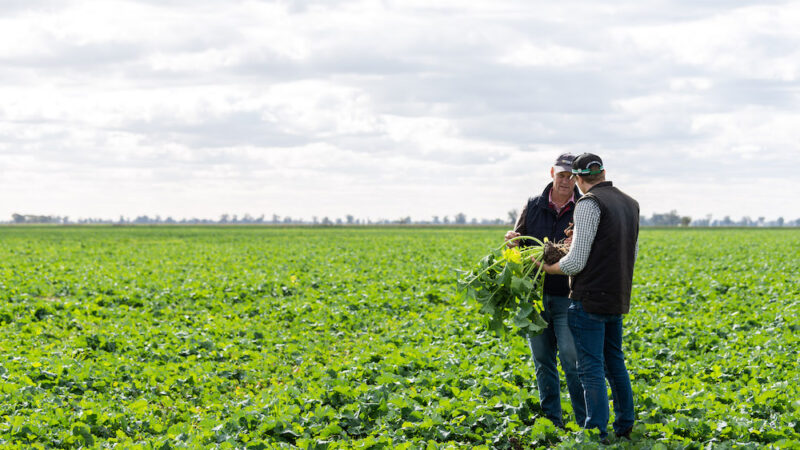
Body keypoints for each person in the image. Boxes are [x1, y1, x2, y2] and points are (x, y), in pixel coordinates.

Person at [539, 153, 639, 441]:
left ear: (578, 179)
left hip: (590, 297)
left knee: (591, 367)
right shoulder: (629, 203)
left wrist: (547, 267)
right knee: (615, 362)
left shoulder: (588, 203)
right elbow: (617, 249)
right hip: (617, 294)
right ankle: (625, 425)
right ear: (604, 172)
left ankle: (596, 431)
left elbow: (576, 263)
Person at [504, 153, 586, 428]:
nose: (566, 181)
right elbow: (516, 241)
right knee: (543, 361)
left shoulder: (584, 207)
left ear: (577, 178)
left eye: (571, 176)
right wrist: (511, 242)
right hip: (535, 297)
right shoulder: (533, 205)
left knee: (571, 359)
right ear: (552, 173)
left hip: (568, 295)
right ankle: (552, 421)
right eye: (562, 175)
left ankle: (582, 420)